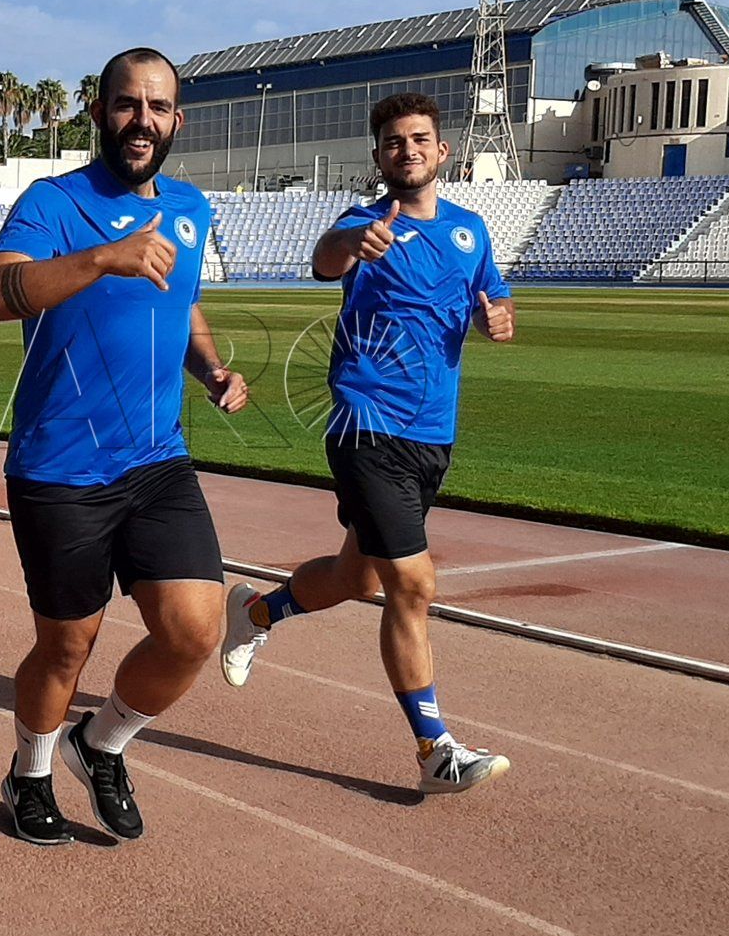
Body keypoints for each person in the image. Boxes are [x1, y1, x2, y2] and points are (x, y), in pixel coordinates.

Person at [0, 47, 248, 846]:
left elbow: (182, 303)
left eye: (157, 108)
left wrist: (211, 368)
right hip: (61, 467)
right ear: (99, 113)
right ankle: (29, 774)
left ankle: (102, 744)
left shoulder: (190, 207)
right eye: (127, 104)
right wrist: (100, 259)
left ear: (177, 121)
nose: (142, 121)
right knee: (67, 648)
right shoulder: (54, 202)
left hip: (157, 460)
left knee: (195, 632)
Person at [220, 92, 518, 795]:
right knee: (412, 583)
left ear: (442, 150)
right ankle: (434, 751)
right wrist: (354, 245)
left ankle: (257, 613)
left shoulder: (471, 230)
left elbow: (491, 298)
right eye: (393, 142)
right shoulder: (363, 223)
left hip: (432, 434)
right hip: (367, 426)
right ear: (378, 156)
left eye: (418, 139)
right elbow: (325, 260)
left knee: (358, 578)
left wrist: (498, 319)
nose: (406, 150)